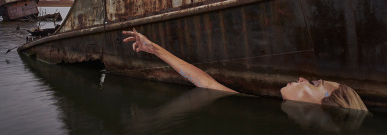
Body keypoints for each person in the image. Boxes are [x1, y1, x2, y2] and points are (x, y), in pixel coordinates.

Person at [122, 29, 368, 111]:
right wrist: (154, 50)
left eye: (315, 85)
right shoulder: (268, 111)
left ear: (325, 113)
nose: (303, 78)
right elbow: (208, 84)